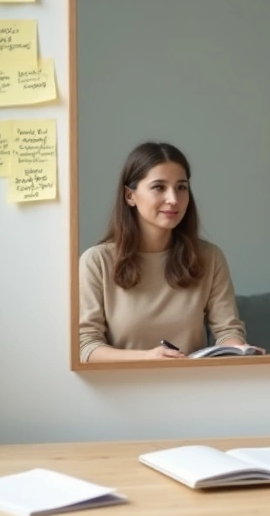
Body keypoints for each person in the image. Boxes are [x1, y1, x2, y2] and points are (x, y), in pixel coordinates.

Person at [78, 142, 256, 361]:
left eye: (181, 187)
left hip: (193, 387)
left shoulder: (210, 257)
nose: (173, 199)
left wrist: (239, 349)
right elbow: (86, 347)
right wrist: (148, 359)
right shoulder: (96, 262)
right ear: (129, 196)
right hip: (122, 389)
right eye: (159, 187)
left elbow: (228, 331)